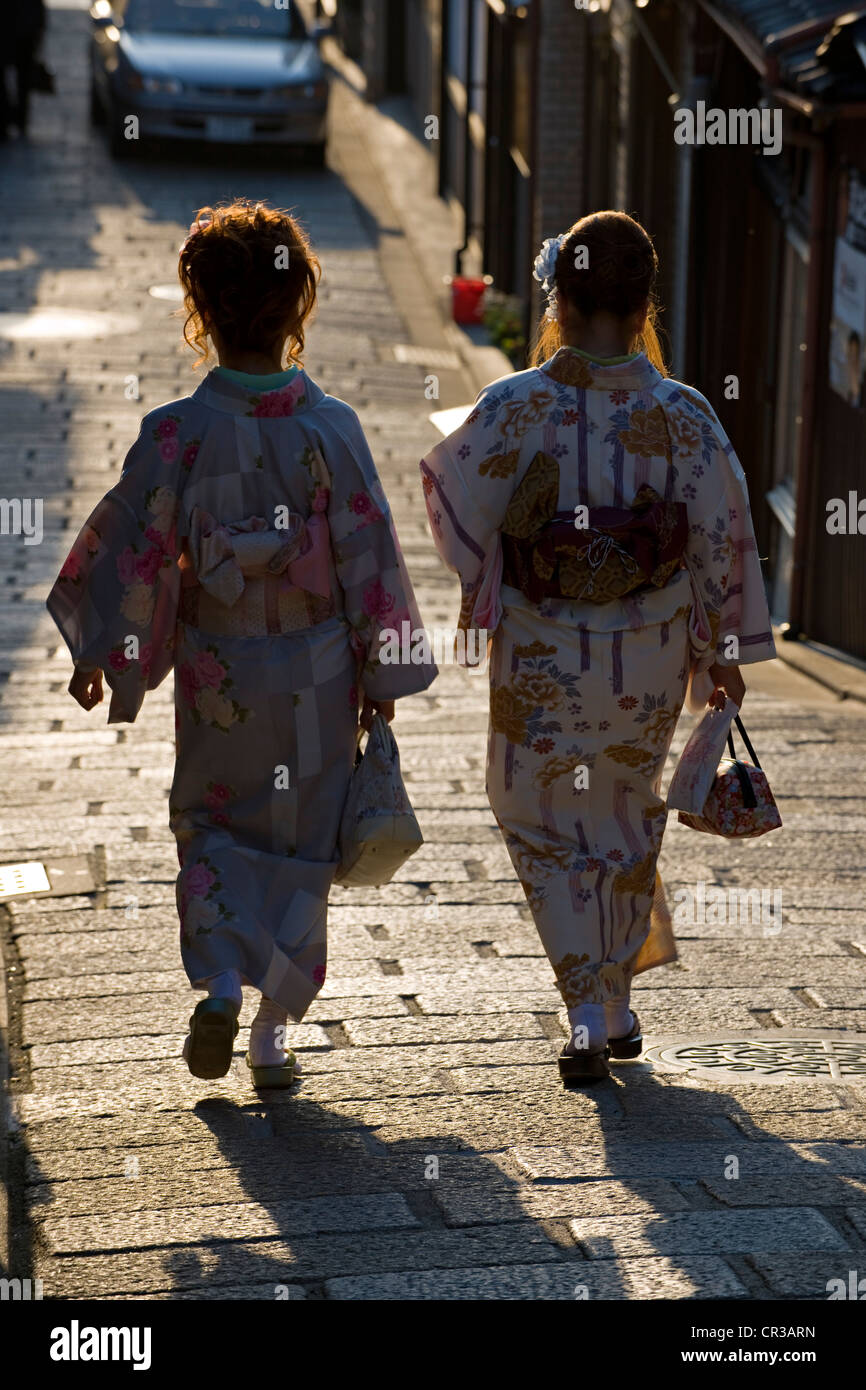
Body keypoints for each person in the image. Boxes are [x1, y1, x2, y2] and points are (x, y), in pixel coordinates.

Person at [48, 199, 436, 1087]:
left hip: (220, 670)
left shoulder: (177, 434)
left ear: (200, 307)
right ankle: (269, 1039)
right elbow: (368, 553)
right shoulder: (330, 429)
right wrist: (381, 670)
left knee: (214, 826)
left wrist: (101, 651)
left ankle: (220, 980)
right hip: (318, 670)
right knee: (303, 843)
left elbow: (132, 547)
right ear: (297, 304)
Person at [421, 210, 775, 1084]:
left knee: (536, 814)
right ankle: (615, 1003)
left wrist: (495, 574)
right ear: (644, 299)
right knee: (622, 808)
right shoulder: (683, 414)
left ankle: (585, 1008)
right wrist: (719, 645)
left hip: (543, 652)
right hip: (646, 654)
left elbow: (455, 500)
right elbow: (722, 534)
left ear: (560, 299)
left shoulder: (513, 405)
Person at [0, 0, 47, 140]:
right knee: (22, 78)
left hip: (18, 28)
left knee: (21, 77)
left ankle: (12, 118)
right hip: (21, 28)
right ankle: (14, 118)